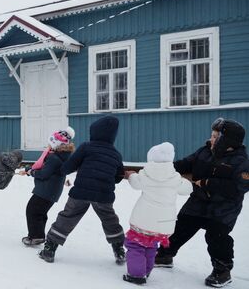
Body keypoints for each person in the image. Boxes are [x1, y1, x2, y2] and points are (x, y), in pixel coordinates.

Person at [154, 118, 249, 288]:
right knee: (181, 226)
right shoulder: (204, 151)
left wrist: (208, 183)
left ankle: (222, 271)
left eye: (215, 137)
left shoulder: (241, 161)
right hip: (199, 201)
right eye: (212, 136)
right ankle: (164, 255)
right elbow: (185, 164)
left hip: (224, 208)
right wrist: (163, 169)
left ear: (227, 141)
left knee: (216, 236)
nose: (211, 139)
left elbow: (240, 186)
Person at [39, 115, 126, 264]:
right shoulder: (116, 154)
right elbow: (118, 176)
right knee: (109, 219)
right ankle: (118, 249)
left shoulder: (86, 147)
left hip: (81, 192)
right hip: (103, 195)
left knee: (68, 216)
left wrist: (63, 168)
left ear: (95, 132)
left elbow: (68, 166)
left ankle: (50, 248)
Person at [122, 142, 192, 285]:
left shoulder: (146, 173)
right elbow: (187, 189)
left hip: (143, 220)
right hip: (163, 224)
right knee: (151, 246)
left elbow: (135, 183)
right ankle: (145, 271)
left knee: (136, 245)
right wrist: (185, 182)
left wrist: (131, 175)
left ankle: (136, 275)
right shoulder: (175, 177)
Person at [19, 128, 75, 246]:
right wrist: (30, 169)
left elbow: (43, 174)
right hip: (51, 191)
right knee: (40, 212)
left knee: (32, 210)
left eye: (51, 142)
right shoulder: (63, 156)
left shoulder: (53, 158)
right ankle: (38, 235)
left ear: (56, 144)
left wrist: (31, 172)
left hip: (45, 190)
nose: (48, 144)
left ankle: (35, 236)